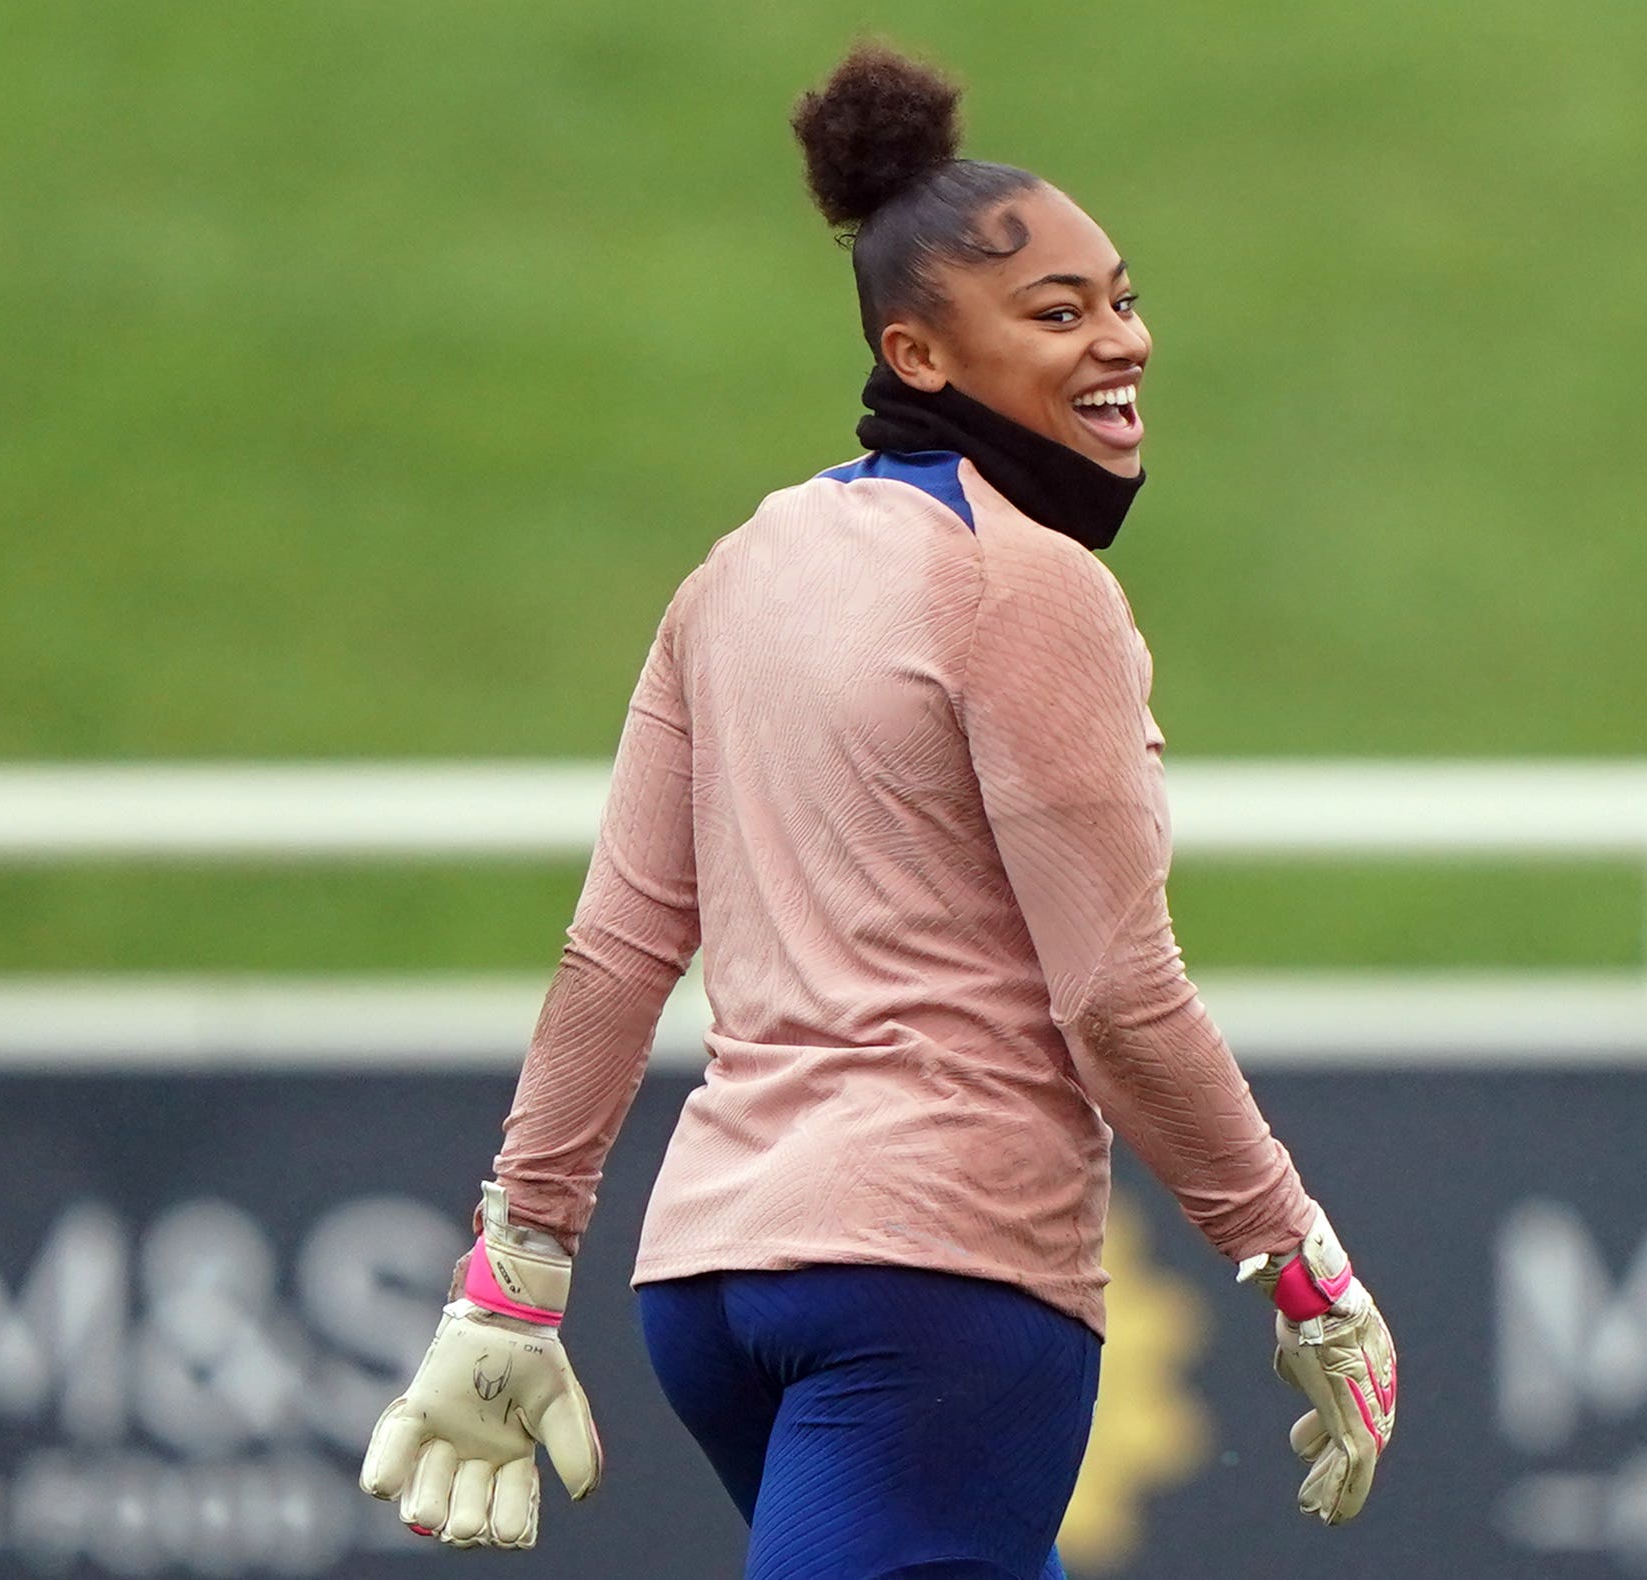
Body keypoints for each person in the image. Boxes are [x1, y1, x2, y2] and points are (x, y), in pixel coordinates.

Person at [358, 41, 1397, 1579]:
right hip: (934, 1281)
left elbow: (612, 956)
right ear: (919, 357)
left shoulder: (738, 567)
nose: (1124, 341)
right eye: (1058, 314)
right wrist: (1296, 1263)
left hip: (712, 1286)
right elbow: (1113, 994)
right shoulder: (1032, 584)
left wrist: (514, 1272)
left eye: (1120, 296)